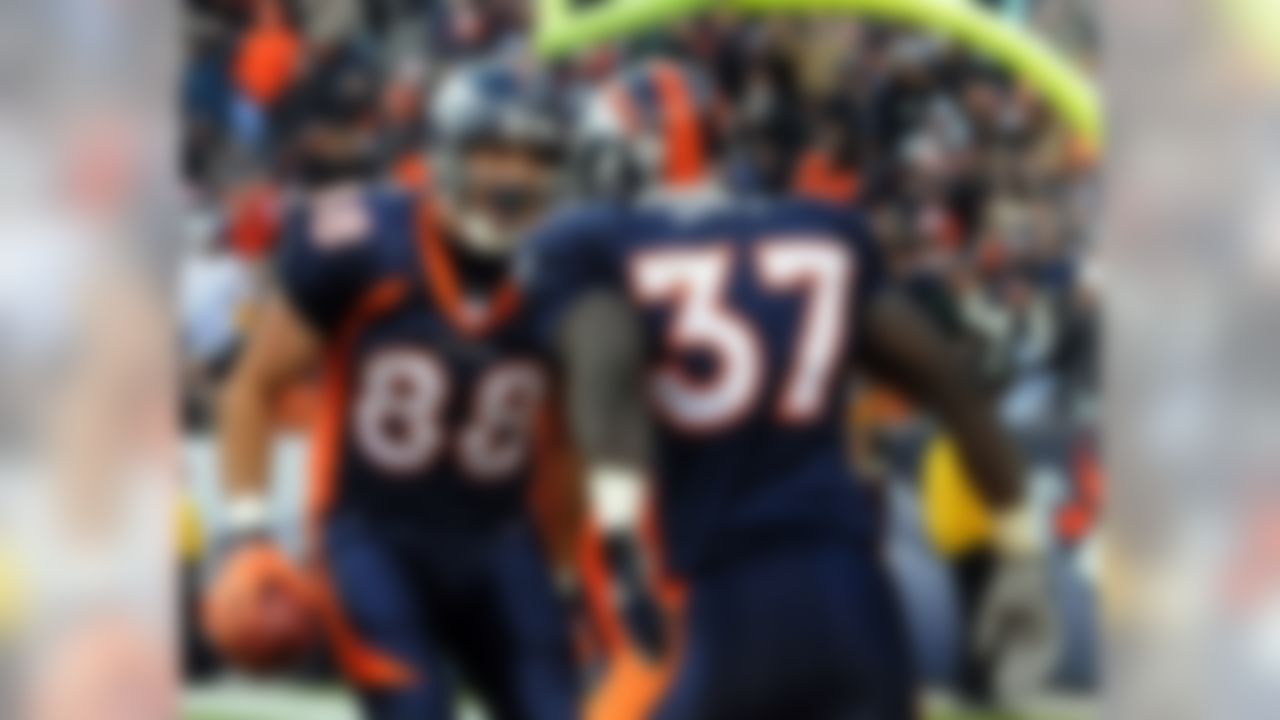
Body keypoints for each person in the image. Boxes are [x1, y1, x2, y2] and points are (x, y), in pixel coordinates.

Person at [524, 59, 1058, 719]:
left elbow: (606, 389)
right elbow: (950, 384)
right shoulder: (822, 231)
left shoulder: (597, 249)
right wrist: (1021, 552)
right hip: (854, 593)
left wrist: (607, 550)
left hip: (725, 597)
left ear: (621, 159)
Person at [214, 57, 580, 720]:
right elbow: (252, 386)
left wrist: (563, 578)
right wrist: (249, 532)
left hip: (498, 538)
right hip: (372, 535)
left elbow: (567, 444)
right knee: (414, 710)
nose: (516, 175)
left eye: (536, 156)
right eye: (494, 150)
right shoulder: (364, 242)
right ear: (445, 154)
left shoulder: (568, 272)